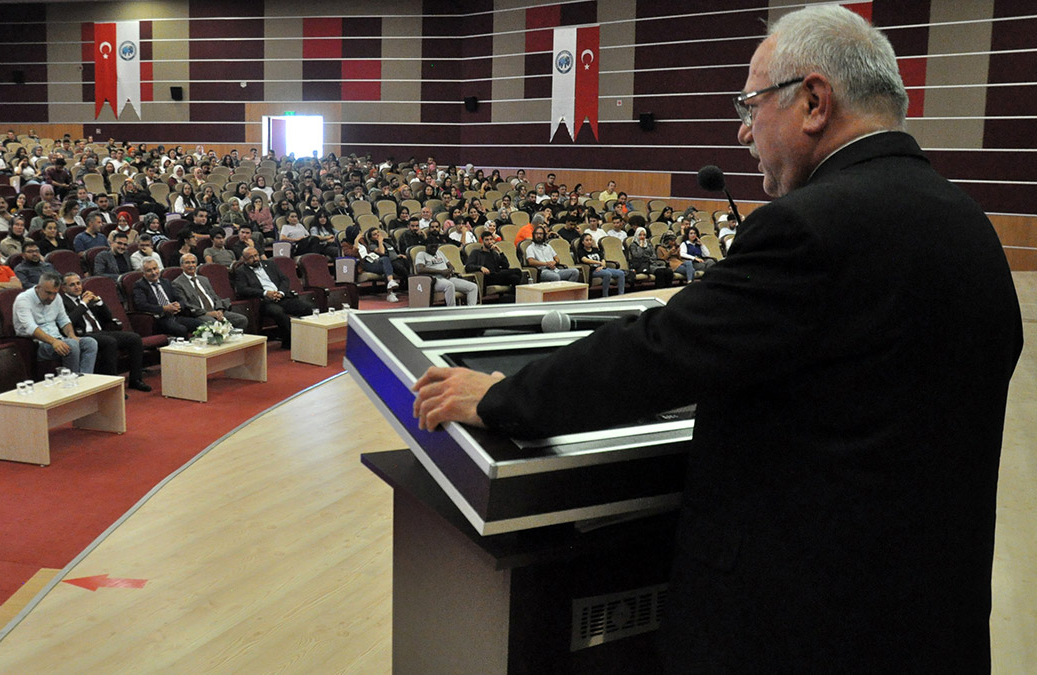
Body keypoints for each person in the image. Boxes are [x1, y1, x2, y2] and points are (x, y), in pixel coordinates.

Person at [411, 6, 1022, 673]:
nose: (742, 128)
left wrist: (501, 397)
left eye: (752, 103)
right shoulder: (973, 228)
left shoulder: (811, 227)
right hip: (933, 625)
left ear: (814, 101)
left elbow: (659, 352)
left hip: (802, 630)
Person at [60, 273, 150, 391]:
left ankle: (136, 379)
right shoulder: (62, 302)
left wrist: (99, 302)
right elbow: (69, 321)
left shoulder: (86, 297)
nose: (77, 287)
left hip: (100, 332)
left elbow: (107, 318)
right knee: (109, 342)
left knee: (135, 338)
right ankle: (113, 386)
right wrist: (83, 304)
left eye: (78, 283)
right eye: (72, 285)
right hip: (83, 336)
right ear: (64, 288)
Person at [13, 273, 98, 374]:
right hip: (37, 343)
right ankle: (73, 381)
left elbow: (64, 320)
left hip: (58, 338)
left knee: (90, 343)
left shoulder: (57, 298)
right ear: (38, 287)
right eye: (48, 293)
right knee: (72, 345)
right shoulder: (23, 300)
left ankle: (86, 378)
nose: (52, 297)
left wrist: (71, 335)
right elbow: (30, 327)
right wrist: (53, 341)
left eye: (55, 293)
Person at [232, 247, 315, 348]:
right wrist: (266, 293)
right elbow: (242, 289)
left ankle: (306, 336)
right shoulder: (241, 271)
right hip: (264, 302)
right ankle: (290, 342)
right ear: (244, 260)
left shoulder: (270, 264)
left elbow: (284, 279)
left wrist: (280, 292)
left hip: (282, 297)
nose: (256, 259)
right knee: (278, 312)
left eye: (256, 255)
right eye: (251, 257)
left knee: (308, 307)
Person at [172, 253, 249, 330]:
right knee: (216, 325)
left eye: (193, 262)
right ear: (181, 266)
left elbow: (215, 297)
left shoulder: (204, 279)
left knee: (241, 320)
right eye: (187, 263)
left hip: (215, 310)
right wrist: (207, 313)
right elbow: (186, 305)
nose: (191, 265)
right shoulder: (177, 283)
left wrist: (220, 310)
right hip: (200, 314)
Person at [131, 259, 203, 338]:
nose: (154, 273)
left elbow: (181, 299)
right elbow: (141, 305)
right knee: (181, 330)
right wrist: (164, 308)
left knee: (200, 324)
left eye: (155, 269)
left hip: (175, 316)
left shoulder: (165, 282)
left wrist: (179, 305)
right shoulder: (140, 285)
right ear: (143, 273)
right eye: (149, 270)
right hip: (159, 319)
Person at [413, 235, 478, 307]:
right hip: (434, 280)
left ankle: (470, 311)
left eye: (436, 246)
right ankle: (451, 311)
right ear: (426, 246)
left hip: (448, 277)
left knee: (473, 287)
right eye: (432, 247)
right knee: (449, 285)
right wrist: (441, 272)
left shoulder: (439, 253)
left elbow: (450, 265)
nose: (434, 249)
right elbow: (420, 269)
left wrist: (450, 270)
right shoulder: (421, 254)